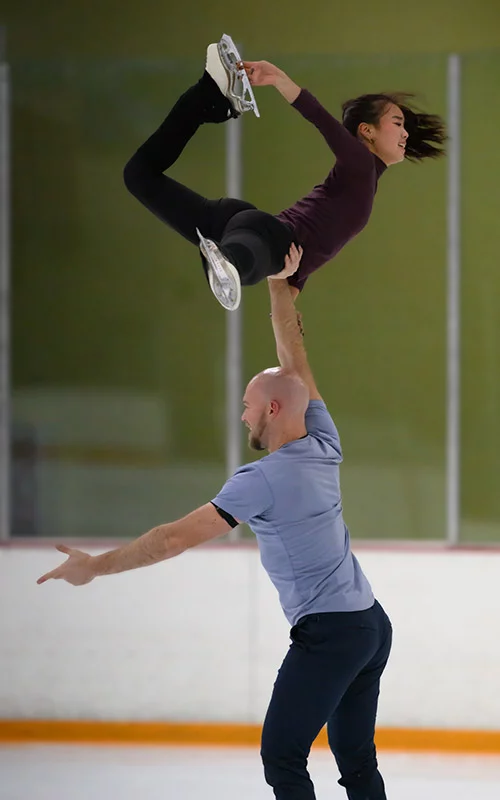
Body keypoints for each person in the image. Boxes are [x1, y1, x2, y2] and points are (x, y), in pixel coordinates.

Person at [38, 247, 393, 800]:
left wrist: (95, 566)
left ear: (273, 411)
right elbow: (294, 363)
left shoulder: (261, 479)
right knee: (355, 758)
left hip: (330, 634)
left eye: (249, 404)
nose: (244, 413)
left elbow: (169, 540)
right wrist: (278, 286)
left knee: (282, 756)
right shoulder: (325, 443)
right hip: (371, 626)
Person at [123, 33, 446, 310]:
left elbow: (317, 245)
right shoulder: (361, 165)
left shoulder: (362, 182)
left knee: (139, 174)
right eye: (398, 123)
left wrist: (292, 290)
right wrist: (279, 79)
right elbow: (320, 119)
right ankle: (230, 261)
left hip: (246, 227)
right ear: (367, 131)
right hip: (268, 240)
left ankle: (207, 95)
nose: (406, 134)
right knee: (248, 264)